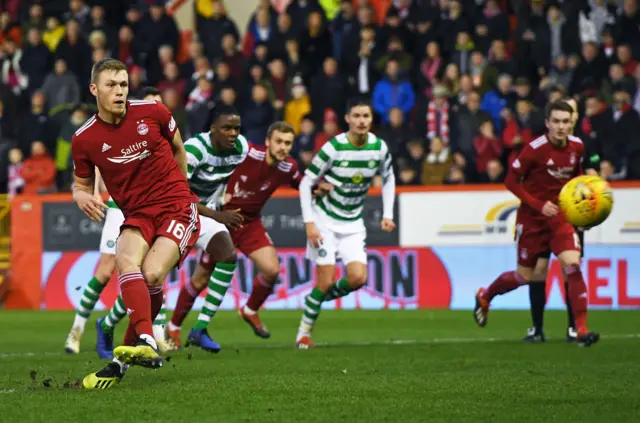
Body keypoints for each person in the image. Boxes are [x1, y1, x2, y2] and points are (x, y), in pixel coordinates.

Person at [71, 59, 201, 389]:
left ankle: (135, 346)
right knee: (124, 259)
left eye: (124, 84)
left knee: (153, 273)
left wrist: (183, 192)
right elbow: (81, 185)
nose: (119, 91)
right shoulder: (84, 139)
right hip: (137, 213)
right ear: (94, 89)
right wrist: (80, 196)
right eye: (112, 84)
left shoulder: (153, 113)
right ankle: (138, 346)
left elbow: (178, 149)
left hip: (175, 207)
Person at [166, 122, 332, 341]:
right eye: (279, 141)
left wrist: (316, 187)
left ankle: (250, 310)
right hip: (224, 222)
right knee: (200, 279)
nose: (283, 147)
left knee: (271, 270)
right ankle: (174, 326)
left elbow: (298, 182)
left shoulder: (288, 167)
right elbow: (220, 165)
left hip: (250, 224)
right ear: (268, 141)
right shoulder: (248, 154)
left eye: (288, 143)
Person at [473, 100, 599, 347]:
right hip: (532, 219)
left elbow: (576, 179)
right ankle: (486, 295)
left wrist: (585, 206)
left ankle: (581, 330)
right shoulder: (534, 149)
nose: (561, 127)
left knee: (572, 266)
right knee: (524, 277)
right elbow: (510, 181)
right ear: (547, 123)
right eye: (556, 121)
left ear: (571, 123)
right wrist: (538, 204)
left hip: (561, 219)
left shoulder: (577, 147)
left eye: (565, 122)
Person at [64, 86, 178, 359]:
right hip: (122, 208)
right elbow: (80, 179)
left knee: (152, 271)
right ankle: (76, 330)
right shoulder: (108, 132)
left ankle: (145, 330)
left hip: (161, 207)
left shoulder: (160, 133)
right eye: (151, 104)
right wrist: (84, 195)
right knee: (107, 270)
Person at [295, 97, 396, 349]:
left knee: (358, 279)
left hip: (353, 222)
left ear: (371, 119)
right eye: (357, 116)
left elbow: (389, 177)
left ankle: (316, 298)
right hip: (325, 220)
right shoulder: (333, 148)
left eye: (366, 116)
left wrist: (388, 214)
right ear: (348, 119)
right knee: (326, 279)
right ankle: (303, 335)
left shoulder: (379, 147)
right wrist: (310, 223)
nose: (362, 121)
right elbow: (306, 183)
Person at [167, 105, 249, 352]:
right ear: (213, 129)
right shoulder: (194, 150)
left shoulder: (241, 149)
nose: (233, 133)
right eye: (226, 128)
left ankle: (199, 327)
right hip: (175, 209)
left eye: (236, 128)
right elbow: (178, 193)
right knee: (154, 274)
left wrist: (223, 203)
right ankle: (110, 325)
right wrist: (216, 214)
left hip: (205, 212)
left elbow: (228, 177)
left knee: (228, 256)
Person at [523, 97, 599, 343]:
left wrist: (589, 205)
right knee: (538, 270)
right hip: (544, 217)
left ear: (574, 117)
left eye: (571, 114)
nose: (566, 120)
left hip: (572, 214)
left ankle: (574, 328)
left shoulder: (583, 146)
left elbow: (592, 178)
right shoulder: (543, 145)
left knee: (571, 270)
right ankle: (537, 329)